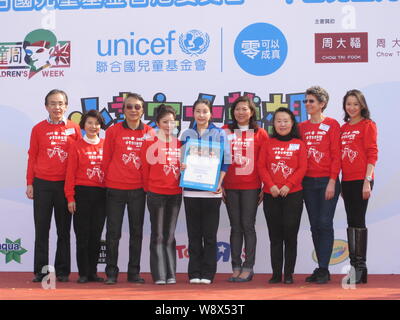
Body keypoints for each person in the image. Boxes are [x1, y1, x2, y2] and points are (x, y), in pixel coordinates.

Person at [26, 89, 82, 283]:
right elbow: (32, 156)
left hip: (64, 186)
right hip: (42, 184)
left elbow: (78, 159)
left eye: (60, 103)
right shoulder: (38, 129)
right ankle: (41, 271)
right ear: (46, 106)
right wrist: (29, 183)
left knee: (63, 230)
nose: (57, 107)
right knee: (41, 229)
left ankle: (63, 271)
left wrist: (73, 189)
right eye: (52, 103)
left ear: (66, 106)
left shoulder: (74, 128)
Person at [102, 93, 154, 285]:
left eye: (137, 107)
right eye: (129, 107)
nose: (133, 110)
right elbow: (105, 160)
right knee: (113, 232)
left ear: (143, 110)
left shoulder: (150, 132)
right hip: (115, 189)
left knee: (136, 232)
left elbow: (152, 162)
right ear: (123, 110)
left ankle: (134, 273)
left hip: (139, 190)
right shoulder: (113, 131)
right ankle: (111, 273)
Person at [179, 99, 231, 285]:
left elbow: (226, 161)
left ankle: (208, 273)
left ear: (211, 114)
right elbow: (180, 158)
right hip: (191, 191)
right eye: (198, 111)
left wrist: (220, 182)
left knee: (209, 235)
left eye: (205, 111)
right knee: (193, 235)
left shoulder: (219, 133)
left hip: (212, 191)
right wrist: (182, 165)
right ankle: (194, 272)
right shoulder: (187, 134)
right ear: (193, 113)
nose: (201, 115)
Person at [258, 107, 307, 284]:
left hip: (293, 194)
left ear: (292, 123)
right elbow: (261, 166)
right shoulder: (267, 143)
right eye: (278, 121)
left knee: (290, 235)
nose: (282, 124)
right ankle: (276, 273)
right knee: (275, 235)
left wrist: (288, 185)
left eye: (286, 120)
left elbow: (302, 167)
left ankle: (289, 274)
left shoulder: (299, 144)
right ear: (274, 124)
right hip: (271, 195)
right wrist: (270, 186)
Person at [222, 96, 269, 282]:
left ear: (251, 112)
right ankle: (235, 266)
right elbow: (217, 158)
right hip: (230, 186)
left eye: (244, 109)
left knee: (248, 226)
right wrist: (219, 184)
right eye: (237, 109)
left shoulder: (260, 133)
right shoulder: (225, 131)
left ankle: (248, 267)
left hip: (251, 187)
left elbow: (266, 162)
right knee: (235, 227)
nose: (240, 112)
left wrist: (265, 185)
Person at [298, 86, 341, 284]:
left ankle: (324, 268)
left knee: (325, 223)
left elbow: (336, 155)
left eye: (311, 101)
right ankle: (321, 268)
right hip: (308, 182)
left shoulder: (332, 124)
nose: (307, 104)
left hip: (327, 181)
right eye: (306, 101)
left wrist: (332, 181)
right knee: (315, 225)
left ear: (322, 104)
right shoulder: (302, 127)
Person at [140, 104, 182, 285]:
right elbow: (144, 170)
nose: (168, 125)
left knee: (170, 235)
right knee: (157, 234)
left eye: (172, 122)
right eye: (165, 122)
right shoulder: (149, 143)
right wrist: (149, 190)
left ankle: (171, 273)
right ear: (157, 123)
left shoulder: (180, 144)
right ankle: (159, 275)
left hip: (175, 194)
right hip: (156, 194)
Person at [64, 110, 106, 283]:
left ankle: (93, 272)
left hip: (101, 195)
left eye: (96, 123)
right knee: (82, 235)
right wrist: (70, 197)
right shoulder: (76, 146)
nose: (93, 127)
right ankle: (83, 273)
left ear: (100, 126)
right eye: (89, 123)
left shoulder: (106, 144)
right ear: (83, 125)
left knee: (96, 235)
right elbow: (70, 174)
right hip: (81, 194)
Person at [340, 89, 378, 284]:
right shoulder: (343, 128)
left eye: (356, 104)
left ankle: (360, 268)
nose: (352, 107)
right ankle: (355, 267)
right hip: (346, 181)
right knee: (351, 221)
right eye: (348, 104)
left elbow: (372, 153)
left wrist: (367, 180)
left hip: (362, 180)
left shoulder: (368, 125)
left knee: (358, 221)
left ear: (362, 105)